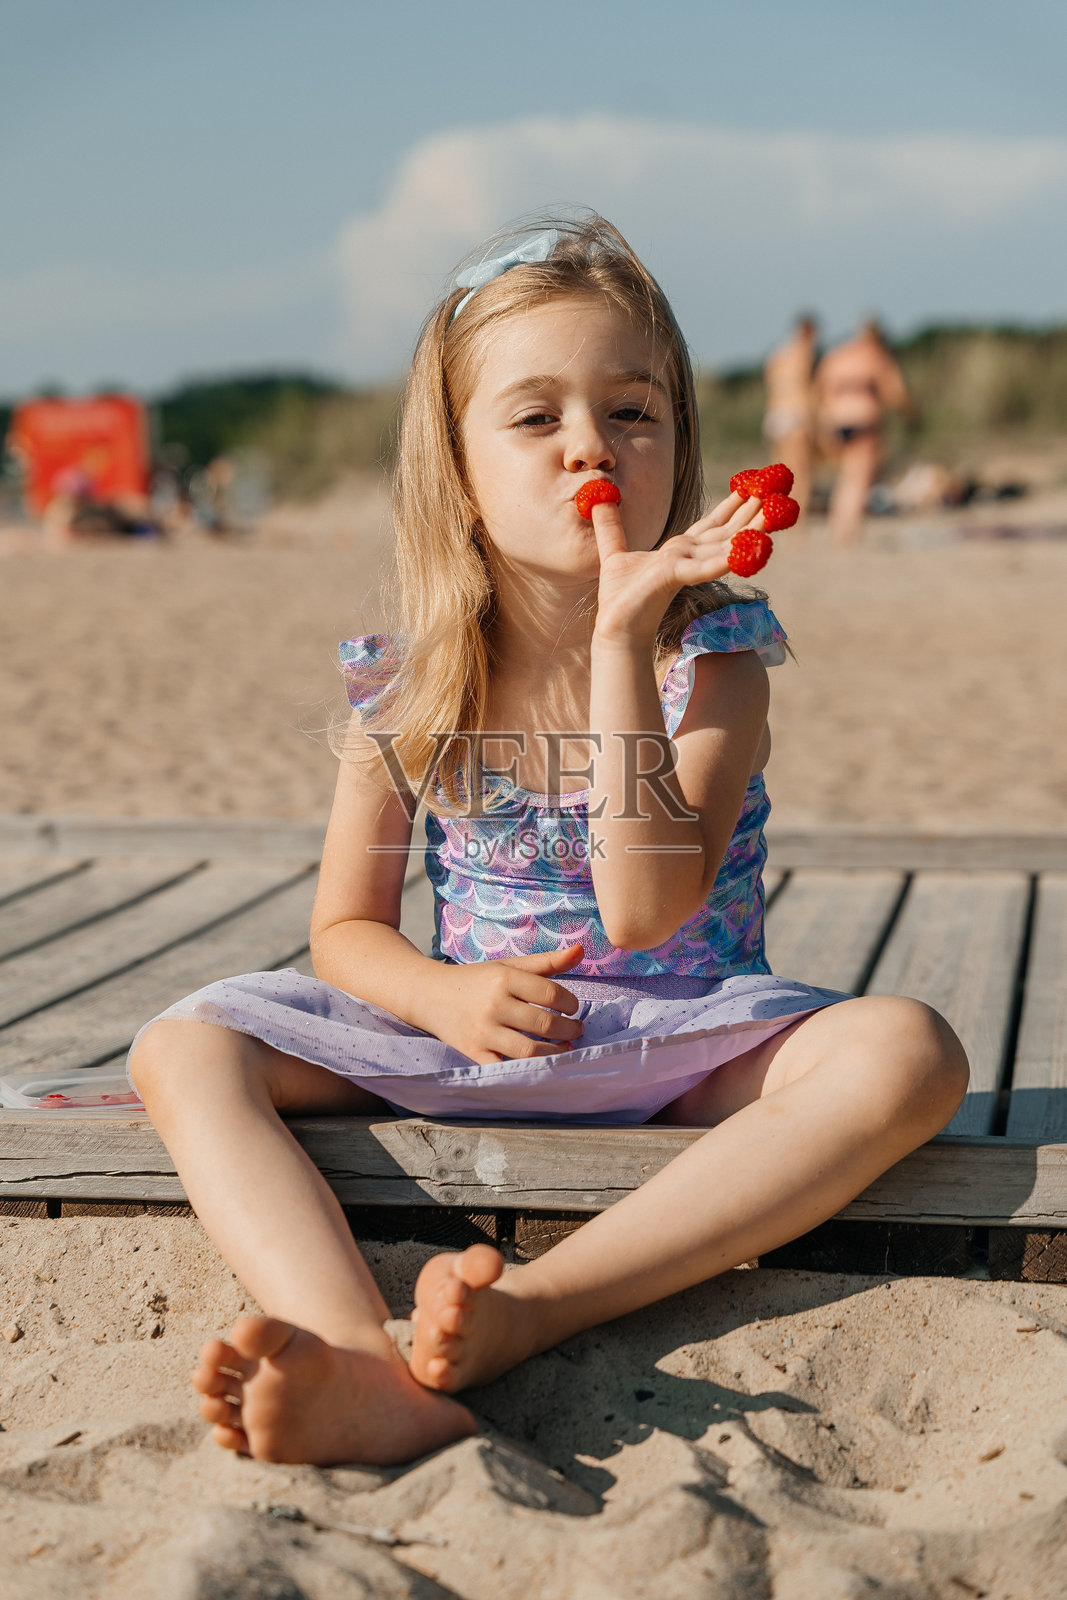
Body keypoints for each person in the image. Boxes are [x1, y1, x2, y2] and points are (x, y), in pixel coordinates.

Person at [128, 215, 968, 1469]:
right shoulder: (408, 686)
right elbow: (342, 931)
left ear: (678, 440)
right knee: (182, 1045)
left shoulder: (714, 662)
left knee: (906, 1052)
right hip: (474, 1033)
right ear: (455, 466)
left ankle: (532, 1310)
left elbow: (642, 910)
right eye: (534, 418)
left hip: (685, 1040)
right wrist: (442, 995)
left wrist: (624, 644)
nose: (591, 444)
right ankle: (354, 1352)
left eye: (632, 410)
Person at [816, 320, 917, 546]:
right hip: (864, 419)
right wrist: (910, 414)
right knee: (859, 478)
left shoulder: (836, 354)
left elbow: (822, 392)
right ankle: (848, 533)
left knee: (845, 478)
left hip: (836, 420)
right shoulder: (875, 355)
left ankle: (837, 528)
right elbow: (895, 392)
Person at [762, 314, 818, 515]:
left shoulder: (777, 354)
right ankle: (797, 523)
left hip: (774, 415)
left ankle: (776, 514)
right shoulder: (804, 352)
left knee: (781, 473)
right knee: (800, 474)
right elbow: (804, 388)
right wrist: (812, 422)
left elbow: (770, 385)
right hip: (795, 414)